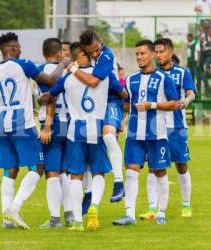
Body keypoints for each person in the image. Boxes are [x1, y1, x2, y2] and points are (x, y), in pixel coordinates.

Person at [40, 42, 126, 231]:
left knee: (76, 176)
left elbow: (48, 97)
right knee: (98, 172)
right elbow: (123, 93)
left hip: (75, 131)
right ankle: (94, 205)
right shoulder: (104, 75)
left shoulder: (67, 79)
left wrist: (41, 98)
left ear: (74, 58)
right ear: (87, 55)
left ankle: (78, 220)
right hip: (97, 128)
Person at [0, 32, 67, 230]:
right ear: (13, 47)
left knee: (10, 169)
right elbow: (49, 80)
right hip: (22, 121)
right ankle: (14, 208)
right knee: (38, 166)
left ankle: (6, 219)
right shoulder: (23, 64)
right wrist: (64, 64)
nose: (21, 49)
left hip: (3, 122)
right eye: (19, 46)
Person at [112, 40, 178, 226]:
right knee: (132, 172)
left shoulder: (165, 78)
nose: (139, 57)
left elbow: (174, 103)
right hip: (134, 134)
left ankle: (161, 212)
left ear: (151, 55)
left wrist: (153, 105)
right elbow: (127, 105)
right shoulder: (132, 79)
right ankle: (129, 215)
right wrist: (117, 120)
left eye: (142, 53)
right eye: (137, 54)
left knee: (160, 172)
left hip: (157, 134)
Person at [139, 38, 196, 221]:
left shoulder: (181, 72)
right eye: (155, 51)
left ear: (170, 52)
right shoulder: (150, 75)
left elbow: (190, 92)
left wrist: (186, 101)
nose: (158, 55)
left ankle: (186, 204)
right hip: (154, 126)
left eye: (161, 51)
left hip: (176, 126)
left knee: (181, 165)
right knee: (153, 167)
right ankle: (152, 208)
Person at [68, 30, 125, 206]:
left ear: (100, 41)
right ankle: (89, 192)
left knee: (108, 136)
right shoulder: (87, 56)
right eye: (90, 51)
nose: (94, 54)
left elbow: (94, 82)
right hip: (93, 107)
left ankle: (118, 182)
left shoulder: (107, 55)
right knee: (87, 149)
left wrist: (73, 68)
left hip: (111, 102)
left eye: (96, 49)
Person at [35, 38, 73, 229]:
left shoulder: (44, 71)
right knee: (63, 172)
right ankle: (70, 214)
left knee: (51, 172)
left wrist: (47, 125)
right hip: (67, 122)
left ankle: (54, 219)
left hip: (53, 122)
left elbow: (50, 98)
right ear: (59, 53)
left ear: (44, 53)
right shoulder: (68, 69)